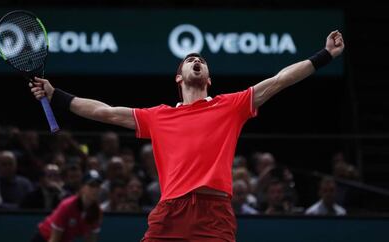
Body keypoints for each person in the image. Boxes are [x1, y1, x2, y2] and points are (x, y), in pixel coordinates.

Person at [30, 31, 344, 241]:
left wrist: (325, 55)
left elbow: (279, 81)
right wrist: (56, 94)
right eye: (190, 60)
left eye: (202, 61)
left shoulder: (230, 106)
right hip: (170, 212)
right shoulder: (158, 116)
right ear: (179, 76)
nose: (197, 61)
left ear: (208, 78)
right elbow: (105, 112)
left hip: (214, 214)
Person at [30, 169, 103, 242]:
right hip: (43, 238)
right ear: (82, 187)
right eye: (92, 185)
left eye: (98, 186)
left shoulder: (97, 212)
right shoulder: (67, 206)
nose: (95, 189)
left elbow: (91, 240)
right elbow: (54, 240)